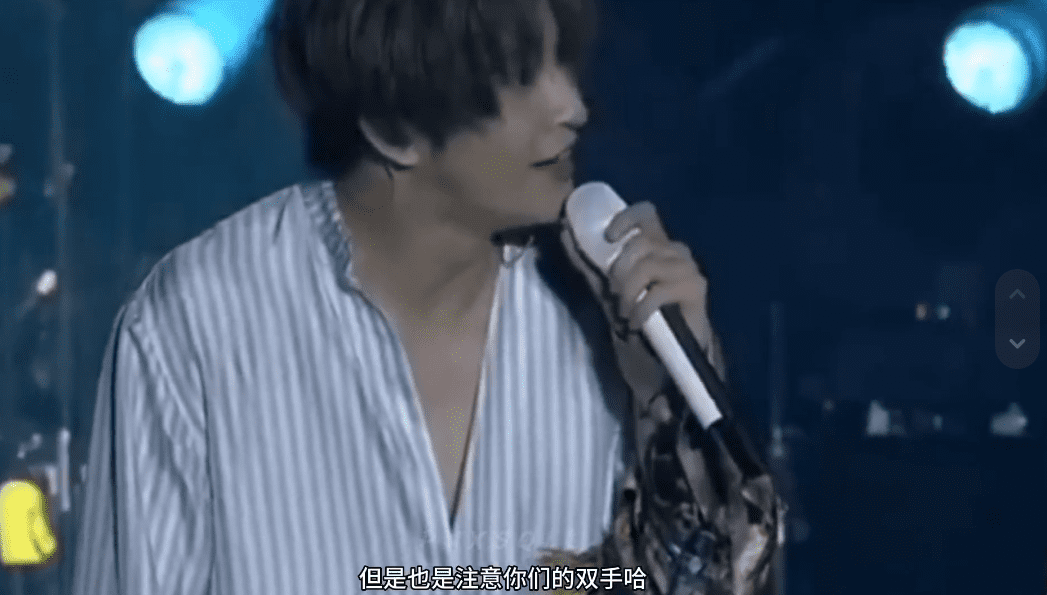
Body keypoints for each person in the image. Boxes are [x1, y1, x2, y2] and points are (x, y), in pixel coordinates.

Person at [71, 0, 780, 593]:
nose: (571, 106)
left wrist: (668, 403)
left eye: (562, 63)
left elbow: (705, 578)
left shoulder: (596, 322)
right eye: (520, 73)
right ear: (395, 126)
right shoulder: (194, 325)